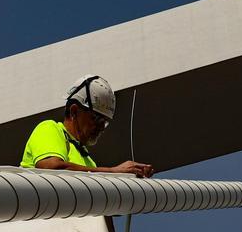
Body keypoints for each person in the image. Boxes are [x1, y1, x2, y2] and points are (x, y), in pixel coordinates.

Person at [20, 75, 154, 177]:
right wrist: (112, 172)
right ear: (74, 111)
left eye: (105, 122)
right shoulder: (49, 128)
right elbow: (51, 169)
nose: (101, 127)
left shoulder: (89, 162)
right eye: (96, 118)